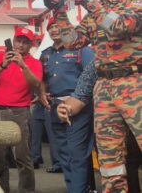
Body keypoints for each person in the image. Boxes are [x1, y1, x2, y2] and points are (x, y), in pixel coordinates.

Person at [44, 0, 141, 192]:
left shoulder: (135, 0)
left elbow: (121, 26)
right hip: (104, 88)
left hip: (135, 83)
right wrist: (58, 12)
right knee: (110, 161)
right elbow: (72, 41)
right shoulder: (94, 13)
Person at [57, 62, 141, 193]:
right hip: (112, 134)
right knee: (117, 171)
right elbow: (80, 95)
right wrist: (66, 108)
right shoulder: (99, 62)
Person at [39, 17, 95, 192]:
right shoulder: (46, 54)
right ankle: (74, 188)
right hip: (54, 106)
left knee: (77, 153)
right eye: (51, 27)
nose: (54, 30)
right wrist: (42, 93)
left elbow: (92, 75)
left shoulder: (81, 49)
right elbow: (43, 78)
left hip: (77, 107)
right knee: (62, 153)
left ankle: (80, 189)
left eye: (58, 27)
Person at [0, 27, 42, 193]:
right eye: (18, 40)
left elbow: (36, 84)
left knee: (22, 156)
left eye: (25, 42)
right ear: (13, 40)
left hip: (20, 112)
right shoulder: (0, 55)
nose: (21, 45)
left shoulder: (34, 62)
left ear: (31, 45)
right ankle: (0, 190)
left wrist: (23, 66)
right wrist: (4, 64)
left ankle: (26, 190)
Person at [30, 90, 60, 171]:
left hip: (50, 103)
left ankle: (57, 163)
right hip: (38, 106)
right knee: (34, 135)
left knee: (52, 136)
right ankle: (35, 159)